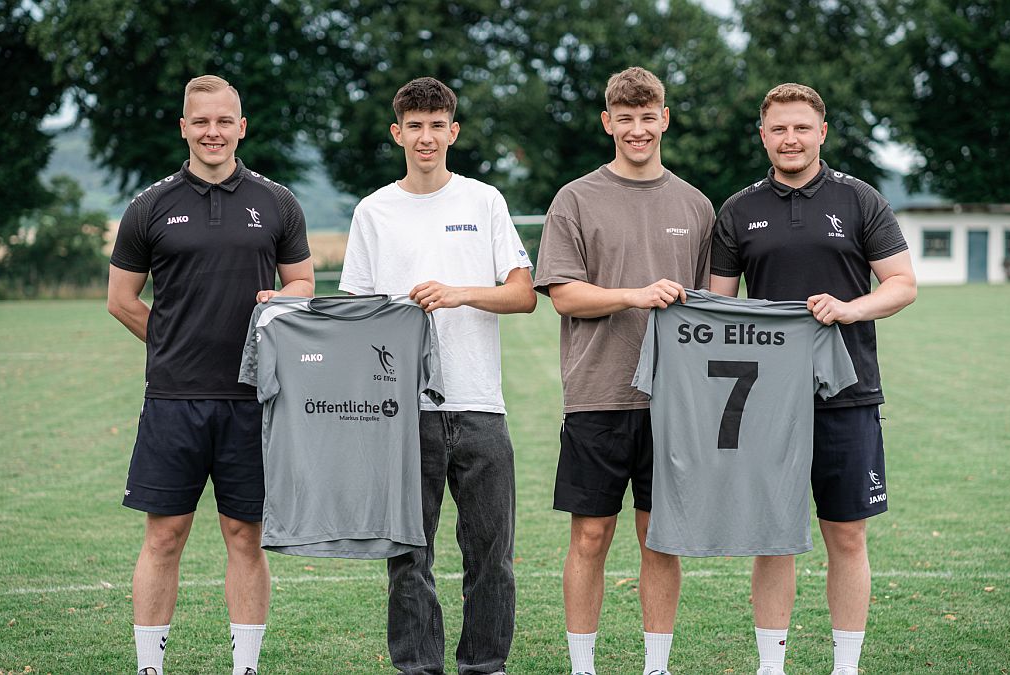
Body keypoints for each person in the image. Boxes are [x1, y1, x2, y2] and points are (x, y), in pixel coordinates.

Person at [107, 74, 314, 675]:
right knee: (164, 536)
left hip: (253, 399)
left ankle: (245, 667)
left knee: (244, 536)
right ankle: (150, 667)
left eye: (224, 121)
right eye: (201, 121)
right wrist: (172, 343)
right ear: (184, 127)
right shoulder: (150, 206)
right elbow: (121, 299)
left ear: (241, 127)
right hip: (173, 399)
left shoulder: (277, 202)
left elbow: (302, 282)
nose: (213, 131)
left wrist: (281, 301)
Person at [709, 83, 916, 675]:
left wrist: (850, 309)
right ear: (763, 134)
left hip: (849, 395)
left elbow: (902, 284)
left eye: (802, 127)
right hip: (765, 401)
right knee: (773, 538)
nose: (790, 139)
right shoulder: (738, 210)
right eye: (779, 129)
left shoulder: (860, 199)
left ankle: (845, 666)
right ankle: (770, 667)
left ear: (822, 132)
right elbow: (721, 310)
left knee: (846, 536)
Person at [338, 76, 536, 675]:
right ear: (397, 133)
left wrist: (457, 295)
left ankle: (484, 666)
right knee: (408, 555)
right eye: (414, 126)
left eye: (437, 125)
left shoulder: (485, 201)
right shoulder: (373, 211)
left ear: (454, 131)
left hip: (479, 405)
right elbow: (354, 313)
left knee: (491, 556)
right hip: (401, 410)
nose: (426, 137)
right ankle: (417, 667)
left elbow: (523, 295)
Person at [533, 66, 715, 675]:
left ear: (664, 118)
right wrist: (635, 295)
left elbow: (713, 306)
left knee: (659, 540)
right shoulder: (575, 198)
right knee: (590, 538)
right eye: (625, 118)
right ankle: (582, 666)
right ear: (608, 123)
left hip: (674, 403)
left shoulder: (695, 205)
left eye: (648, 116)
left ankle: (655, 666)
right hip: (597, 395)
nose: (638, 129)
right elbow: (562, 296)